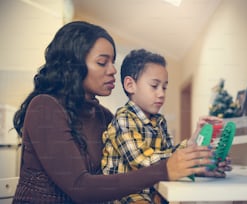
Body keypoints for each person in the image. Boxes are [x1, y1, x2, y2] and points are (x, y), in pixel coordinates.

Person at [12, 21, 231, 204]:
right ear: (73, 65)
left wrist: (194, 166)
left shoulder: (105, 117)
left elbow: (126, 173)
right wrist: (166, 169)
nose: (113, 70)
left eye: (113, 62)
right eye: (102, 62)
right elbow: (79, 186)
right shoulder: (45, 107)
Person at [101, 49, 225, 203]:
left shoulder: (160, 121)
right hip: (126, 195)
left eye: (164, 87)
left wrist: (194, 144)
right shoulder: (123, 119)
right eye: (154, 86)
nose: (161, 93)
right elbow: (142, 162)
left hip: (154, 190)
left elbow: (169, 156)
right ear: (130, 85)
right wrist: (188, 158)